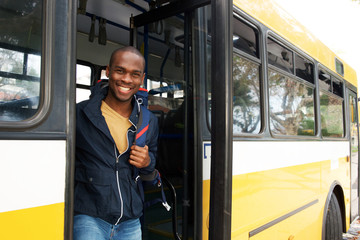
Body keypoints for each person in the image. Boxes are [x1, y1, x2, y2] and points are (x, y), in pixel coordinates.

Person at [74, 46, 159, 240]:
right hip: (89, 217)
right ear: (108, 71)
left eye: (134, 74)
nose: (127, 80)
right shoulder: (80, 114)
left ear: (142, 78)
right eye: (120, 71)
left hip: (130, 221)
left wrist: (147, 162)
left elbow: (151, 168)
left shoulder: (149, 121)